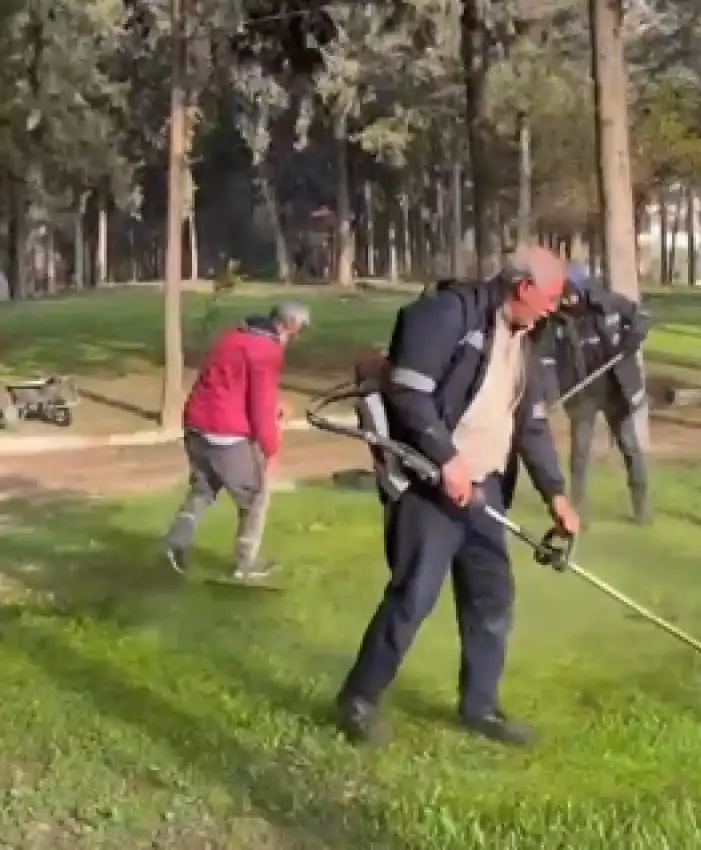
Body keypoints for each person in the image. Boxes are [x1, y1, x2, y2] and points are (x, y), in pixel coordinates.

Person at [336, 245, 580, 748]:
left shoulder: (528, 338)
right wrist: (446, 460)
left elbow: (529, 423)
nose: (554, 307)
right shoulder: (448, 314)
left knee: (491, 598)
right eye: (551, 296)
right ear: (522, 287)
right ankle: (358, 699)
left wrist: (555, 493)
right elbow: (407, 391)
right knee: (413, 596)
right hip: (431, 483)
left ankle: (480, 707)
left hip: (485, 486)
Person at [164, 301, 310, 580]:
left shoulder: (230, 337)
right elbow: (260, 405)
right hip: (225, 433)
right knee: (255, 496)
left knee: (203, 489)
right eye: (296, 332)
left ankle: (175, 544)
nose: (295, 339)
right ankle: (246, 563)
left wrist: (275, 406)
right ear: (288, 326)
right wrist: (270, 447)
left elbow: (227, 383)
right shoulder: (267, 351)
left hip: (196, 424)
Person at [547, 262, 651, 525]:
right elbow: (546, 359)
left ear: (582, 289)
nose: (567, 298)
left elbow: (642, 318)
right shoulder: (555, 318)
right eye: (562, 293)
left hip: (616, 388)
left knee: (630, 447)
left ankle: (642, 508)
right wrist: (550, 393)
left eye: (570, 292)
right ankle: (579, 509)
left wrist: (632, 339)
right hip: (581, 393)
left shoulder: (609, 303)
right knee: (580, 453)